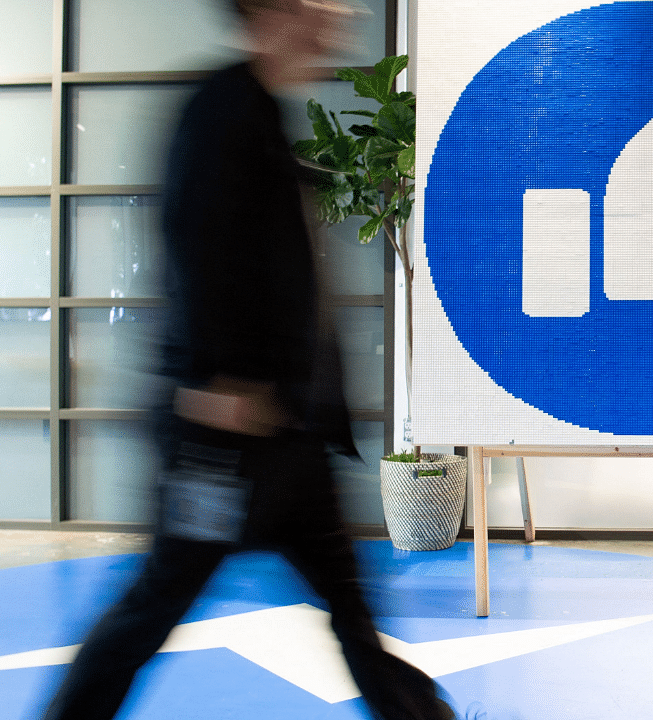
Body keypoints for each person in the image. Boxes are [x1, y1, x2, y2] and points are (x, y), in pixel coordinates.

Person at [42, 2, 457, 719]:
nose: (339, 17)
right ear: (269, 15)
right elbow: (192, 243)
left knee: (350, 609)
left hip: (286, 438)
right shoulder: (220, 110)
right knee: (157, 602)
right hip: (223, 441)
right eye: (316, 7)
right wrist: (212, 382)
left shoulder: (264, 112)